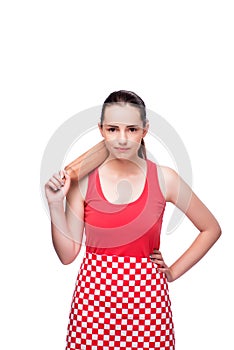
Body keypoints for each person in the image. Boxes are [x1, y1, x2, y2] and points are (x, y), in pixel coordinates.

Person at [45, 90, 221, 350]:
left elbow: (211, 229)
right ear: (101, 130)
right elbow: (68, 254)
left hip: (149, 304)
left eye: (132, 129)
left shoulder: (165, 179)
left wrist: (172, 272)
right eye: (113, 129)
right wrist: (55, 205)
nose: (123, 139)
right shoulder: (82, 181)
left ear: (145, 130)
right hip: (92, 304)